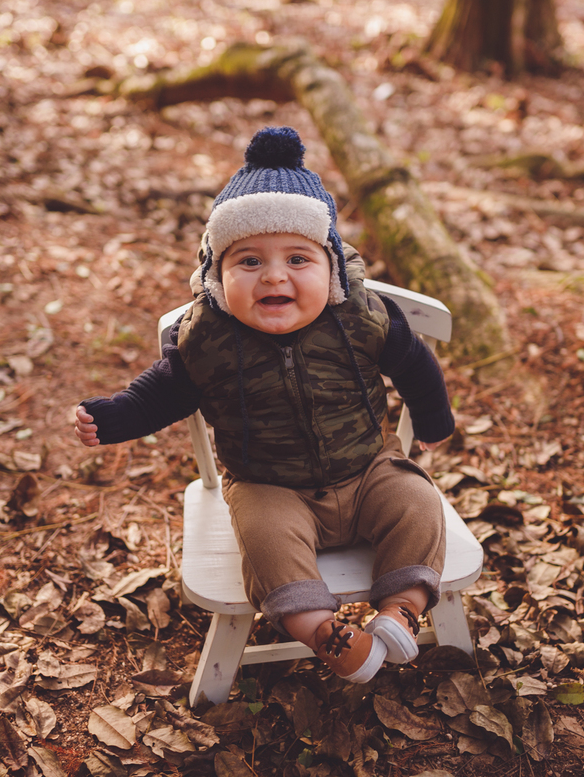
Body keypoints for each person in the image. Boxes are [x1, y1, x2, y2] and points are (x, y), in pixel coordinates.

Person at [74, 127, 453, 683]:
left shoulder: (362, 317)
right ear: (217, 277)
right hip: (268, 485)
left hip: (367, 468)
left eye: (298, 259)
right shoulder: (206, 338)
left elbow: (416, 364)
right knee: (265, 543)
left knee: (419, 502)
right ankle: (329, 634)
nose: (274, 275)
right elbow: (161, 392)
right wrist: (111, 418)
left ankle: (401, 610)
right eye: (248, 262)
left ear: (332, 269)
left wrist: (434, 420)